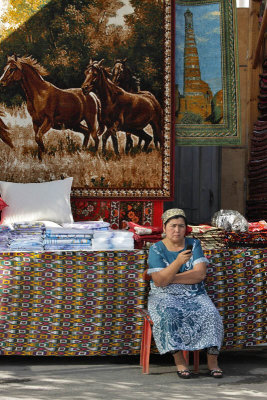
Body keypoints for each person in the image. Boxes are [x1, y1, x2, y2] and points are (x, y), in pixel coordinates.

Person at [147, 208, 224, 379]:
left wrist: (169, 277)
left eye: (181, 226)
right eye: (173, 225)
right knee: (168, 315)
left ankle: (212, 362)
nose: (177, 230)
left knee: (211, 314)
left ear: (186, 228)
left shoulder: (193, 244)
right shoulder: (156, 249)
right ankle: (180, 361)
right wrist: (178, 263)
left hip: (194, 293)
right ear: (164, 227)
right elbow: (159, 283)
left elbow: (200, 274)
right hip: (164, 295)